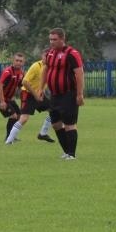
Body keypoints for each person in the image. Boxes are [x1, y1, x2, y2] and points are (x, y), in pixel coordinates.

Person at [40, 28, 84, 160]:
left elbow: (79, 74)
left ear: (62, 39)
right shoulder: (50, 53)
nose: (51, 42)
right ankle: (66, 152)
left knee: (69, 124)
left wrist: (79, 94)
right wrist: (40, 88)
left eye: (54, 39)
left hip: (68, 94)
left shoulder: (72, 53)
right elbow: (45, 70)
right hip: (54, 95)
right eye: (50, 39)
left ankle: (71, 154)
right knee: (56, 124)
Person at [5, 49, 55, 145]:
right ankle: (8, 141)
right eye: (45, 56)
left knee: (54, 111)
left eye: (49, 56)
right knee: (24, 118)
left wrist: (42, 91)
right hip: (27, 94)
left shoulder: (51, 67)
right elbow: (24, 82)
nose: (47, 58)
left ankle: (43, 134)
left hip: (38, 94)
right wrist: (36, 95)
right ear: (42, 56)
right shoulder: (36, 66)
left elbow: (43, 82)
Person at [0, 52, 25, 142]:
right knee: (13, 116)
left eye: (20, 61)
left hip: (9, 99)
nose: (18, 62)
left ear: (23, 63)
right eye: (17, 60)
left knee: (19, 115)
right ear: (13, 61)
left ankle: (12, 136)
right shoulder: (8, 72)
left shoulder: (21, 73)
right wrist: (2, 101)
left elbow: (20, 86)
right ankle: (8, 137)